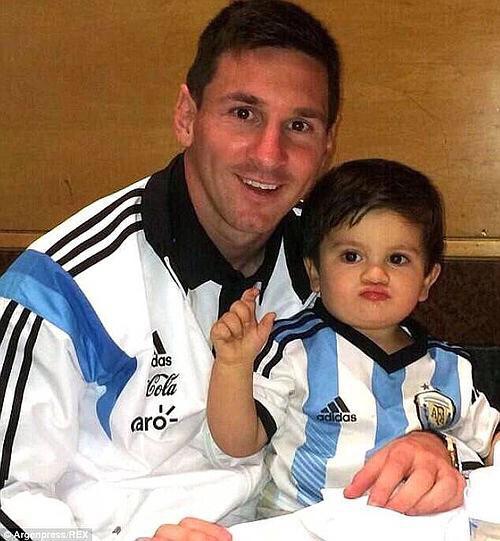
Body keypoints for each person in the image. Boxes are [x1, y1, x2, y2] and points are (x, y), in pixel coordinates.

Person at [0, 1, 474, 539]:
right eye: (243, 114)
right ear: (187, 116)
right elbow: (8, 502)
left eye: (299, 125)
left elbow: (421, 388)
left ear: (327, 144)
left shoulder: (342, 260)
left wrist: (435, 445)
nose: (269, 155)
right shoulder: (65, 287)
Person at [208, 159, 500, 517]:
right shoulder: (293, 348)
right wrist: (233, 365)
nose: (375, 273)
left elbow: (489, 439)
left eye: (397, 259)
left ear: (427, 279)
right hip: (305, 525)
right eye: (351, 256)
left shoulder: (450, 367)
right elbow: (238, 443)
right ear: (315, 272)